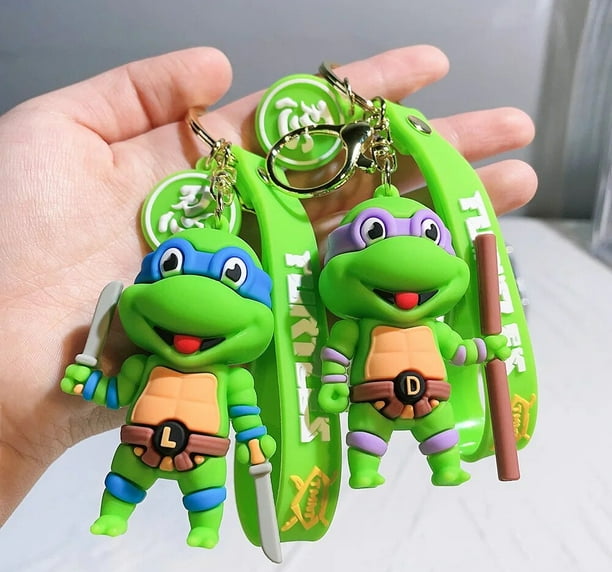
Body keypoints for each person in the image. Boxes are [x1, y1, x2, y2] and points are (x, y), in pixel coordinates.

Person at [0, 45, 537, 525]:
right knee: (351, 439)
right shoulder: (186, 368)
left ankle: (436, 465)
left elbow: (451, 349)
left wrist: (480, 348)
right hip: (219, 432)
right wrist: (88, 384)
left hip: (398, 398)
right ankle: (189, 515)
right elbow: (130, 394)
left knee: (427, 431)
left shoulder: (357, 335)